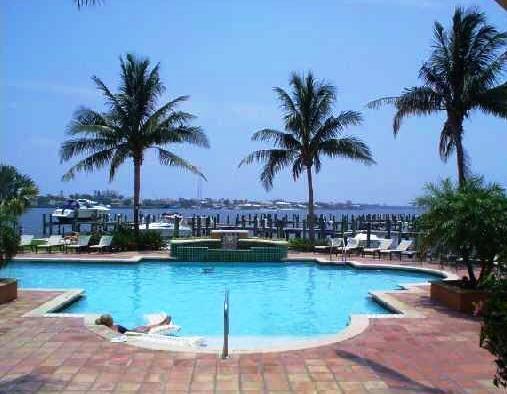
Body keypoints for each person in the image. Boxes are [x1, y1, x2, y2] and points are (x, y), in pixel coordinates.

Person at [94, 313, 171, 334]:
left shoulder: (108, 328)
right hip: (132, 333)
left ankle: (162, 323)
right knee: (146, 328)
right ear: (110, 321)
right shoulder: (115, 328)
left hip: (130, 331)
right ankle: (163, 324)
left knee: (144, 326)